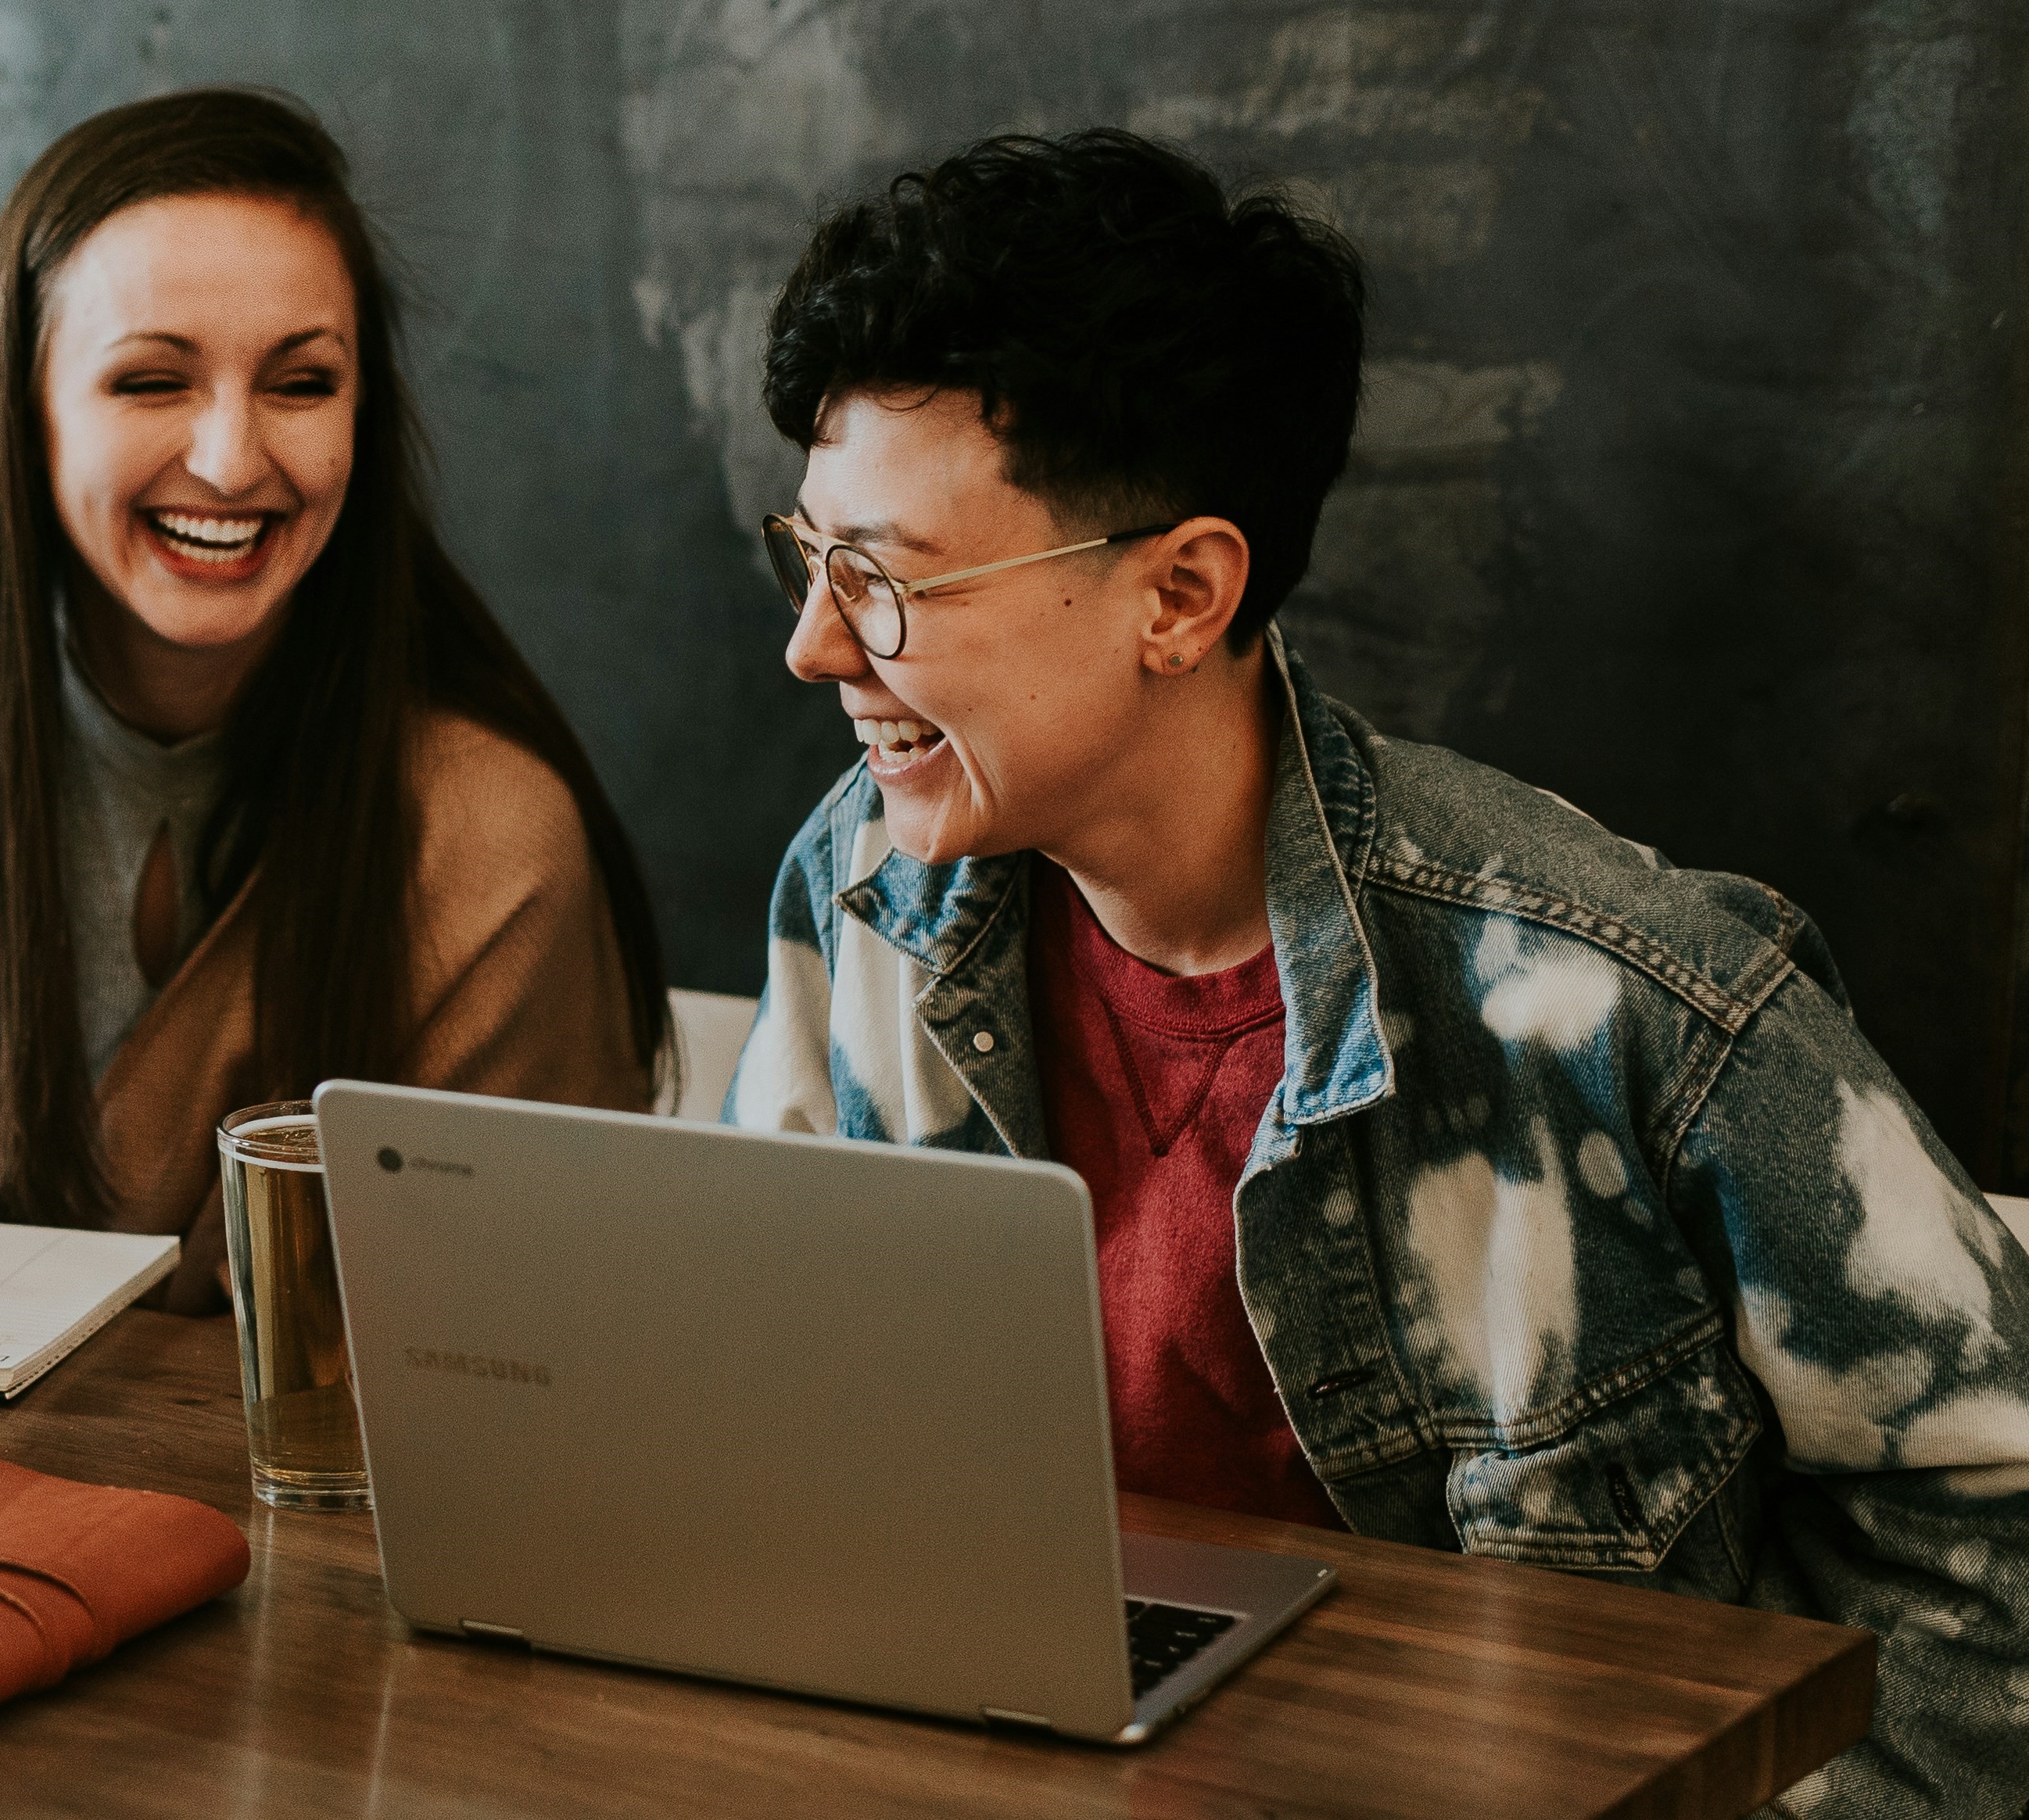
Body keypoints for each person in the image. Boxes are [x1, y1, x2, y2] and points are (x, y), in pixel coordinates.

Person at [719, 130, 2029, 1816]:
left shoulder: (1623, 999)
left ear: (1182, 593)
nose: (814, 645)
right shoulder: (864, 888)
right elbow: (764, 1433)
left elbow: (1998, 1530)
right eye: (810, 558)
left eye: (886, 581)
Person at [0, 89, 661, 1311]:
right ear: (27, 413)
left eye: (302, 383)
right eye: (152, 382)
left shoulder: (490, 841)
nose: (230, 458)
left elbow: (530, 1363)